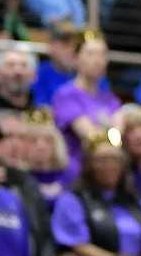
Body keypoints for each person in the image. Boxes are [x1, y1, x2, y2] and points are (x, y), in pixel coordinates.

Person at [52, 33, 121, 181]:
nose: (98, 61)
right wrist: (112, 130)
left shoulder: (110, 99)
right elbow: (92, 138)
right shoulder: (66, 95)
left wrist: (111, 135)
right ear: (76, 59)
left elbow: (117, 141)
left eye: (103, 54)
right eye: (91, 54)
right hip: (78, 173)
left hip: (108, 174)